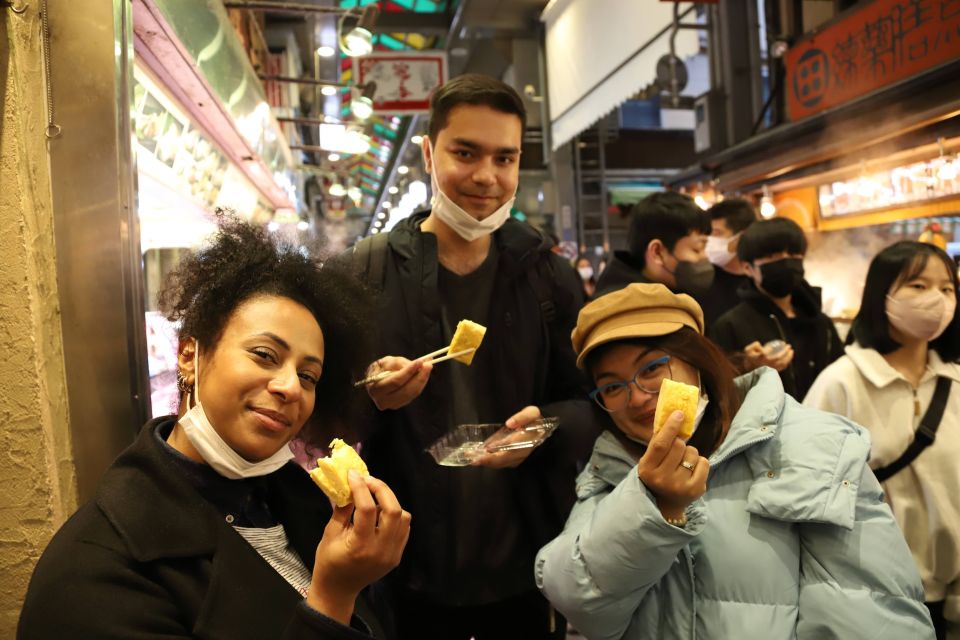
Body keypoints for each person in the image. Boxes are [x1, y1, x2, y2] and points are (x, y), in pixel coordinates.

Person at [18, 219, 410, 639]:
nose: (290, 387)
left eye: (309, 376)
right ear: (190, 354)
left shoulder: (298, 501)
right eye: (264, 354)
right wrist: (333, 597)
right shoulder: (95, 572)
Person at [535, 282, 935, 640]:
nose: (636, 396)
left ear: (697, 359)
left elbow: (869, 611)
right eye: (612, 386)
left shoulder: (811, 443)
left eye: (653, 367)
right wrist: (655, 503)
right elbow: (579, 602)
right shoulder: (610, 468)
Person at [347, 74, 591, 639]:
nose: (486, 176)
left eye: (504, 158)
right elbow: (324, 415)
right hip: (401, 575)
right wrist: (370, 394)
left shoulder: (546, 277)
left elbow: (590, 399)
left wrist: (546, 425)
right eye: (465, 152)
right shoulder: (367, 272)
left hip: (525, 571)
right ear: (429, 152)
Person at [804, 241, 960, 640]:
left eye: (947, 288)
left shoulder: (955, 382)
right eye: (919, 285)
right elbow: (809, 491)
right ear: (882, 295)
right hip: (873, 599)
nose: (937, 300)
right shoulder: (841, 382)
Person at [708, 217, 842, 400]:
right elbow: (719, 392)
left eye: (794, 254)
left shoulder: (821, 322)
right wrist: (748, 366)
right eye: (773, 256)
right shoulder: (730, 325)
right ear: (748, 268)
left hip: (828, 425)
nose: (786, 262)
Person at [594, 191, 713, 299]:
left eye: (705, 248)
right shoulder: (630, 312)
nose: (705, 257)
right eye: (697, 249)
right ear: (657, 252)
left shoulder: (676, 296)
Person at [698, 198, 758, 326]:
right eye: (707, 234)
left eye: (716, 233)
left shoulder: (759, 280)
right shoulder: (701, 282)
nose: (709, 240)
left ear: (741, 237)